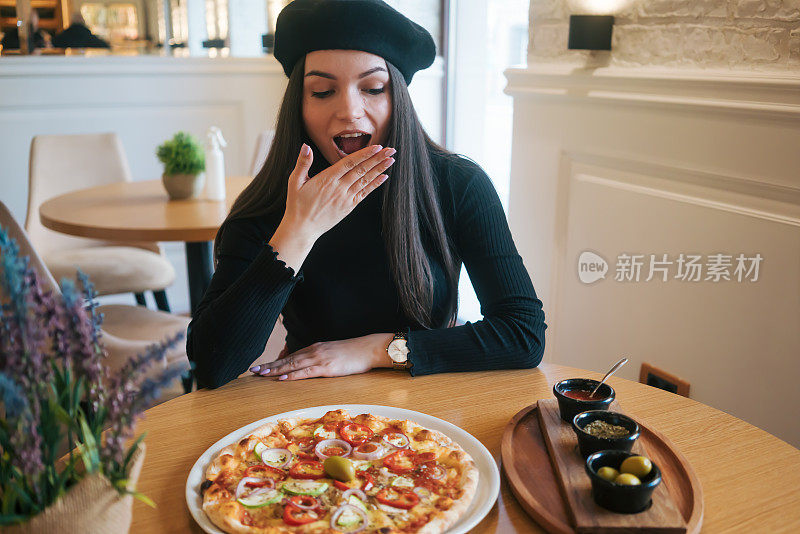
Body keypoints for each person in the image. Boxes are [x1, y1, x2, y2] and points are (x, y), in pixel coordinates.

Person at [186, 0, 547, 389]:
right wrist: (298, 229)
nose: (350, 111)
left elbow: (523, 335)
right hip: (309, 410)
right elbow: (210, 364)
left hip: (429, 397)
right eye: (323, 91)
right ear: (299, 104)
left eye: (373, 88)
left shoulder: (459, 184)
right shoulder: (274, 200)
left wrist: (376, 350)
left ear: (398, 99)